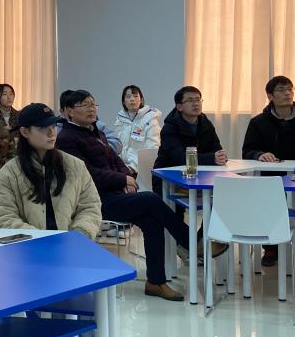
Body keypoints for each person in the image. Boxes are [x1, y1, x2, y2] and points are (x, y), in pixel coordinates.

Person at [0, 103, 121, 337]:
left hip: (71, 258)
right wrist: (46, 244)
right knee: (64, 313)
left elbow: (91, 207)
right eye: (43, 128)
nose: (52, 132)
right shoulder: (11, 172)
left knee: (94, 307)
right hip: (31, 265)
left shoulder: (74, 166)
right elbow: (5, 218)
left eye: (54, 126)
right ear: (25, 132)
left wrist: (76, 238)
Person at [56, 89, 199, 302]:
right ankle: (192, 243)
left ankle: (155, 281)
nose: (91, 109)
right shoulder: (67, 138)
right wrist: (121, 180)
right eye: (84, 105)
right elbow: (86, 173)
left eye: (93, 104)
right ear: (69, 111)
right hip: (94, 201)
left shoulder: (96, 132)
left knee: (151, 222)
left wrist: (127, 177)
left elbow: (116, 160)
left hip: (114, 194)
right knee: (151, 199)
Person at [242, 76, 295, 266]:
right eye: (281, 90)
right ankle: (271, 247)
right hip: (271, 178)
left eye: (290, 89)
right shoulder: (258, 122)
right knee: (268, 203)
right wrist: (260, 154)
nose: (287, 93)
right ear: (270, 96)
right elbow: (247, 150)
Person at [152, 86, 227, 182]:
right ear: (179, 107)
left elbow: (216, 148)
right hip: (168, 178)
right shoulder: (169, 128)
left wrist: (221, 157)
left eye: (198, 100)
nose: (196, 104)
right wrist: (212, 158)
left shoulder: (205, 123)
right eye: (190, 100)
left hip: (199, 175)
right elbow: (180, 159)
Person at [111, 84, 162, 174]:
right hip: (120, 167)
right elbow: (116, 146)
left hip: (140, 171)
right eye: (128, 97)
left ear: (141, 100)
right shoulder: (120, 120)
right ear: (123, 101)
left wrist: (132, 168)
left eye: (135, 96)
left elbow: (152, 149)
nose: (132, 99)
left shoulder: (150, 121)